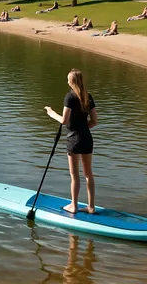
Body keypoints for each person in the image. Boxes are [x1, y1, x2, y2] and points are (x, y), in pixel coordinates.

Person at [44, 69, 99, 214]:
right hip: (87, 138)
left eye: (68, 79)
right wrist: (83, 127)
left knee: (74, 175)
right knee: (88, 174)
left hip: (74, 140)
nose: (67, 81)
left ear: (72, 82)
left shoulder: (70, 97)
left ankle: (74, 206)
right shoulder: (88, 96)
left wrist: (51, 113)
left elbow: (64, 120)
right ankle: (91, 207)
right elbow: (94, 121)